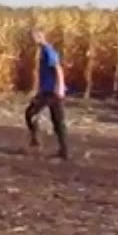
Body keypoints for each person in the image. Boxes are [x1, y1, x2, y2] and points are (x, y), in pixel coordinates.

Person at [25, 28, 69, 159]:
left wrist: (60, 87)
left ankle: (37, 139)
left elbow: (58, 68)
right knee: (56, 120)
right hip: (46, 91)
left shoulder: (48, 51)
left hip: (51, 92)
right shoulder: (44, 50)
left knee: (32, 113)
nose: (32, 40)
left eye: (34, 37)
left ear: (40, 36)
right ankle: (63, 150)